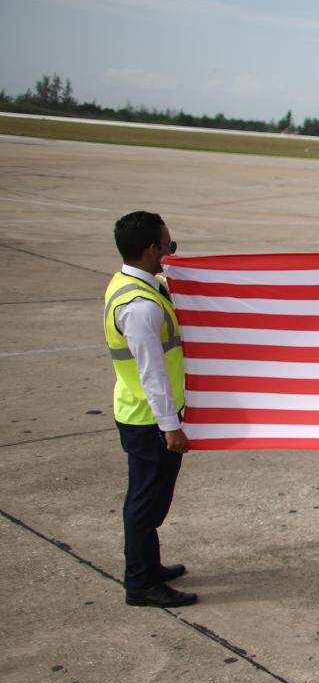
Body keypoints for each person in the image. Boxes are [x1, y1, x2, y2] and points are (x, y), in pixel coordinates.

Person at [106, 211, 196, 609]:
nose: (171, 254)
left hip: (144, 414)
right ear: (150, 249)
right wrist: (171, 426)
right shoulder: (140, 307)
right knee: (145, 502)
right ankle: (140, 582)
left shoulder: (132, 282)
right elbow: (152, 373)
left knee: (151, 498)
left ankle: (148, 564)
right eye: (168, 247)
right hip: (148, 419)